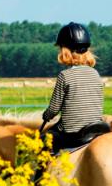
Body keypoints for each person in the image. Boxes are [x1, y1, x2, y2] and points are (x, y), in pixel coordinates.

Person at [42, 22, 104, 153]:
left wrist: (46, 116)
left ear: (65, 51)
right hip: (98, 128)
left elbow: (54, 109)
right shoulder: (95, 73)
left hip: (74, 133)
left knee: (42, 143)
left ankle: (41, 173)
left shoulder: (65, 75)